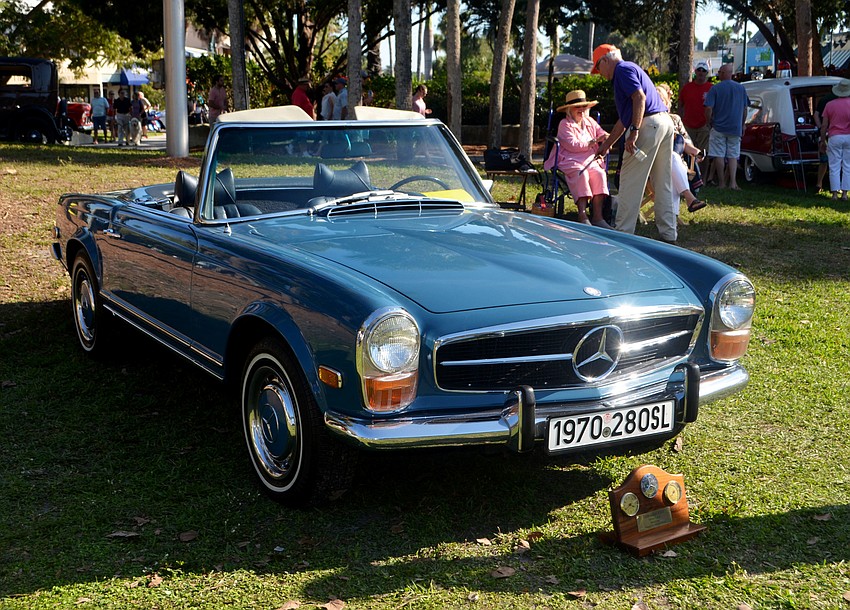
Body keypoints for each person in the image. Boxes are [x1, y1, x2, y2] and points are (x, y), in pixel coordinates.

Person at [593, 44, 678, 244]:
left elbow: (639, 97)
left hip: (648, 125)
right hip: (664, 122)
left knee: (630, 182)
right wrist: (606, 146)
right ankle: (669, 235)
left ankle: (623, 235)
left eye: (598, 68)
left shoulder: (621, 70)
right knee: (662, 182)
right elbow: (623, 120)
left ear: (605, 60)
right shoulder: (631, 68)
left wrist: (635, 132)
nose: (599, 74)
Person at [543, 89, 611, 227]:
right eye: (577, 107)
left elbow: (601, 132)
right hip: (569, 157)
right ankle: (582, 215)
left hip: (590, 158)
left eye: (583, 107)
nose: (581, 110)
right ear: (569, 110)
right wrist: (594, 141)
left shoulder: (590, 121)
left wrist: (606, 138)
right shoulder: (565, 124)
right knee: (581, 173)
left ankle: (598, 217)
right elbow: (572, 145)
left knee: (599, 173)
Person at [656, 84, 707, 213]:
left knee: (672, 162)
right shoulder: (650, 121)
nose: (660, 103)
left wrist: (697, 152)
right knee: (671, 160)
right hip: (655, 164)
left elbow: (685, 141)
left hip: (676, 163)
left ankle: (672, 220)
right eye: (657, 99)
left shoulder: (675, 119)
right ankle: (688, 198)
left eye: (662, 99)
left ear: (667, 102)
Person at [704, 63, 749, 190]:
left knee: (719, 155)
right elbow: (745, 109)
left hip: (718, 126)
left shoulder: (715, 88)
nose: (718, 74)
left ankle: (722, 183)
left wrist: (709, 122)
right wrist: (742, 124)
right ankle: (733, 183)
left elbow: (708, 108)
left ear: (723, 73)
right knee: (733, 155)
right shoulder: (741, 88)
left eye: (719, 72)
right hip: (735, 127)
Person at [678, 61, 713, 178]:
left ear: (707, 73)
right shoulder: (687, 88)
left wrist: (710, 123)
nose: (701, 73)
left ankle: (703, 178)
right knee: (688, 153)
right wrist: (680, 121)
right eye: (699, 70)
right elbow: (680, 105)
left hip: (704, 125)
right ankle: (689, 176)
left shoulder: (711, 88)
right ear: (695, 71)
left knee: (703, 153)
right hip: (688, 126)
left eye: (704, 71)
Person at [820, 78, 850, 200]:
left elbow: (824, 126)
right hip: (848, 136)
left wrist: (823, 140)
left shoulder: (829, 105)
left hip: (834, 136)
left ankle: (834, 194)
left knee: (834, 165)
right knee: (848, 165)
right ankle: (845, 193)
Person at [814, 87, 838, 192]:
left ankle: (819, 183)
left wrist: (820, 128)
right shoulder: (846, 100)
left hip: (826, 132)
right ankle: (837, 186)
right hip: (840, 133)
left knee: (824, 160)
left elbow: (816, 115)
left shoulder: (824, 100)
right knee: (838, 162)